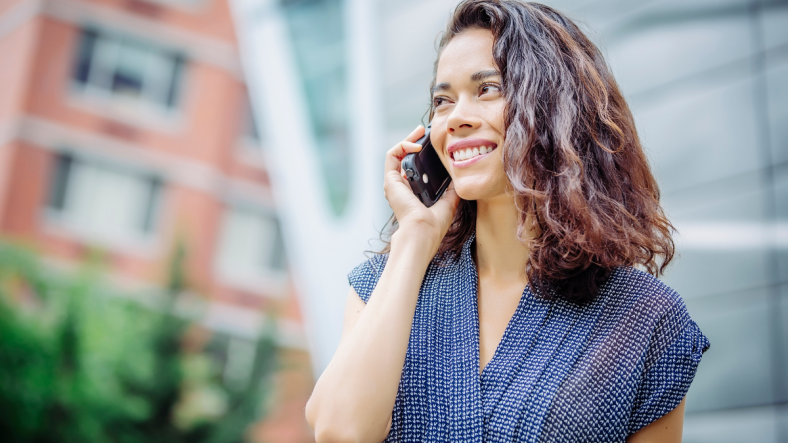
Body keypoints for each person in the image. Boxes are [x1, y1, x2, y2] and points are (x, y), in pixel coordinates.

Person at [306, 1, 710, 442]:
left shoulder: (645, 319)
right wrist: (415, 237)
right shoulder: (384, 284)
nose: (455, 118)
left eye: (487, 90)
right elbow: (339, 432)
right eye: (442, 101)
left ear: (556, 109)